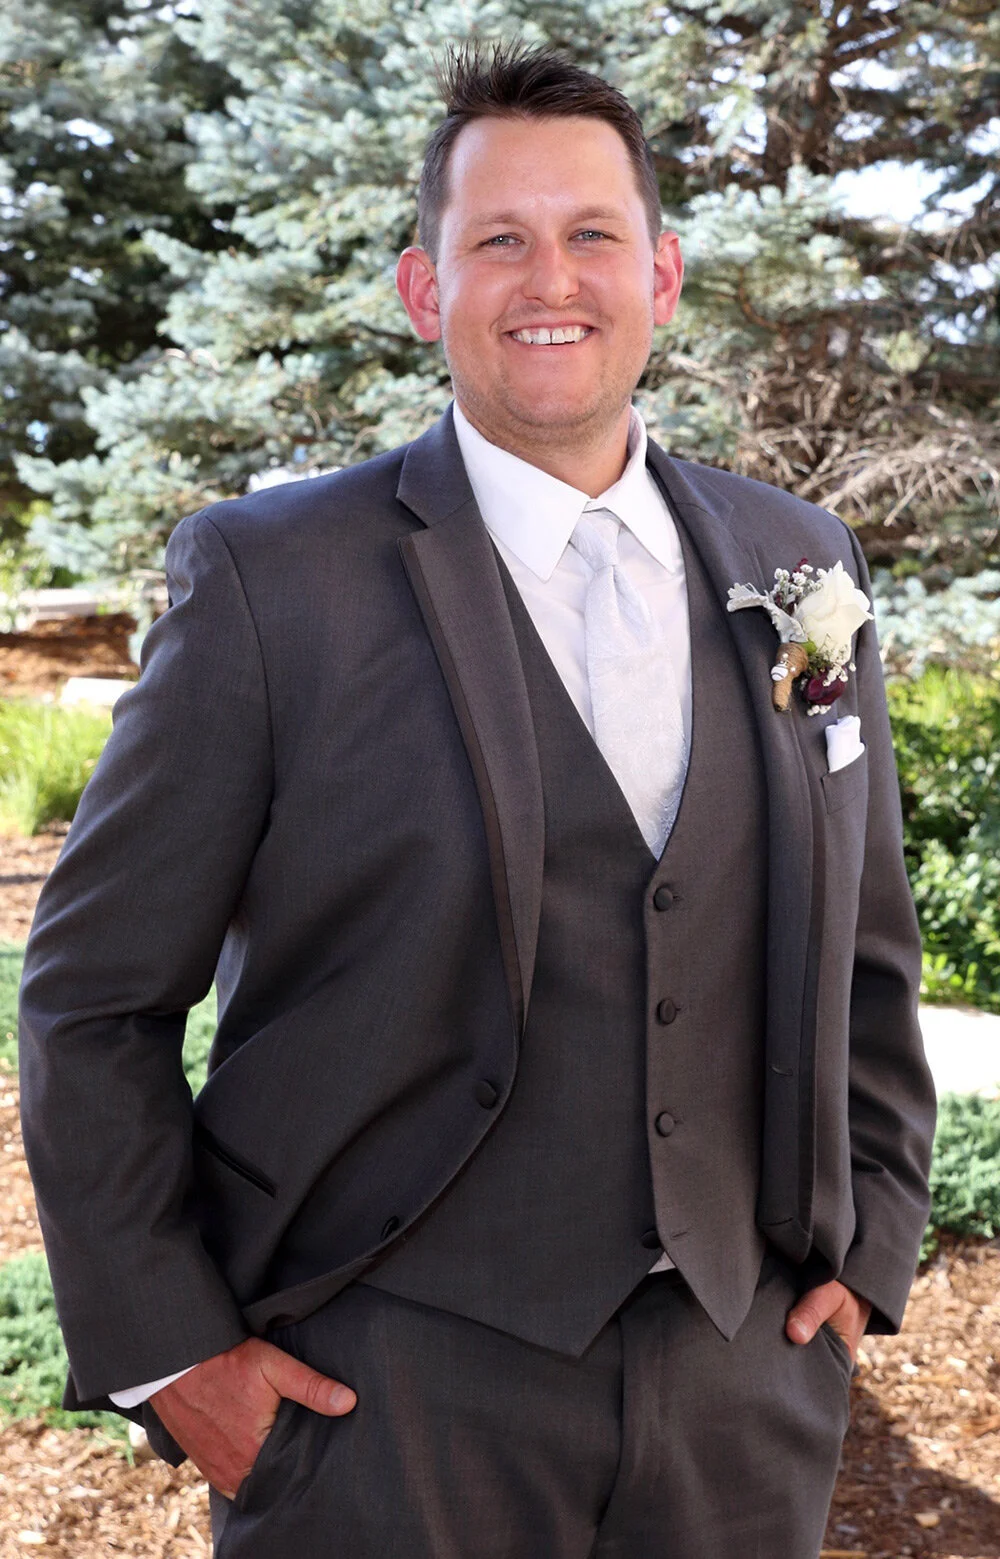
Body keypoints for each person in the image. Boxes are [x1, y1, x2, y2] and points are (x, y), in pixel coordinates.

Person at [19, 41, 935, 1559]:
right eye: (497, 239)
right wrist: (174, 1351)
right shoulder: (272, 580)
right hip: (383, 1399)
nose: (549, 278)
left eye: (591, 234)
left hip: (743, 1390)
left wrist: (872, 1245)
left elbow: (869, 942)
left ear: (662, 274)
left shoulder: (802, 561)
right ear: (423, 290)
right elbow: (92, 994)